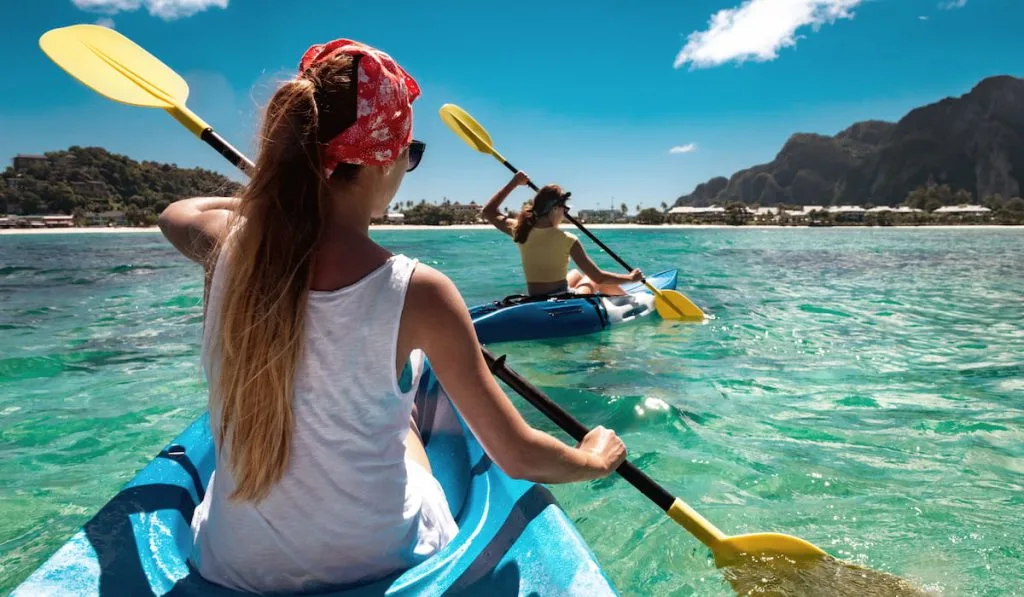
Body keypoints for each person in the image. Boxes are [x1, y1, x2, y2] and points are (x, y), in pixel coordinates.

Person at [157, 39, 627, 593]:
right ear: (383, 159)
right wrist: (592, 458)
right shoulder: (419, 290)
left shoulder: (225, 243)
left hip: (234, 566)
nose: (409, 165)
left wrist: (271, 199)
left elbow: (175, 214)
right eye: (412, 151)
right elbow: (519, 455)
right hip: (382, 560)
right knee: (407, 400)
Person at [481, 172, 643, 297]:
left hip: (535, 297)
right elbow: (598, 277)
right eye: (565, 210)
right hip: (561, 300)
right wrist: (630, 278)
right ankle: (630, 300)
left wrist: (514, 183)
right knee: (590, 279)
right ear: (555, 209)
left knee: (574, 274)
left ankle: (624, 297)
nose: (565, 214)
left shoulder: (520, 228)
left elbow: (488, 212)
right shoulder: (568, 240)